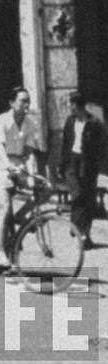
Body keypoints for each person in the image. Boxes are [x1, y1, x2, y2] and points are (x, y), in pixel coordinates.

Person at [0, 86, 43, 271]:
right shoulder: (0, 121)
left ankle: (20, 217)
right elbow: (0, 148)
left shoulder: (30, 123)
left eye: (28, 101)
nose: (26, 105)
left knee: (45, 188)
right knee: (5, 208)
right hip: (0, 167)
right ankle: (2, 253)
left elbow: (30, 151)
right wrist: (8, 165)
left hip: (20, 166)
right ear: (12, 103)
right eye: (23, 101)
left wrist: (33, 172)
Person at [58, 90, 105, 250]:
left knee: (89, 199)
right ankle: (78, 228)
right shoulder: (70, 121)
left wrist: (97, 164)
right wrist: (61, 165)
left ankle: (85, 235)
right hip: (72, 161)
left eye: (72, 104)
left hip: (88, 163)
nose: (70, 107)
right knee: (77, 195)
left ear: (79, 106)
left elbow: (101, 146)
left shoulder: (94, 123)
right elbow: (65, 143)